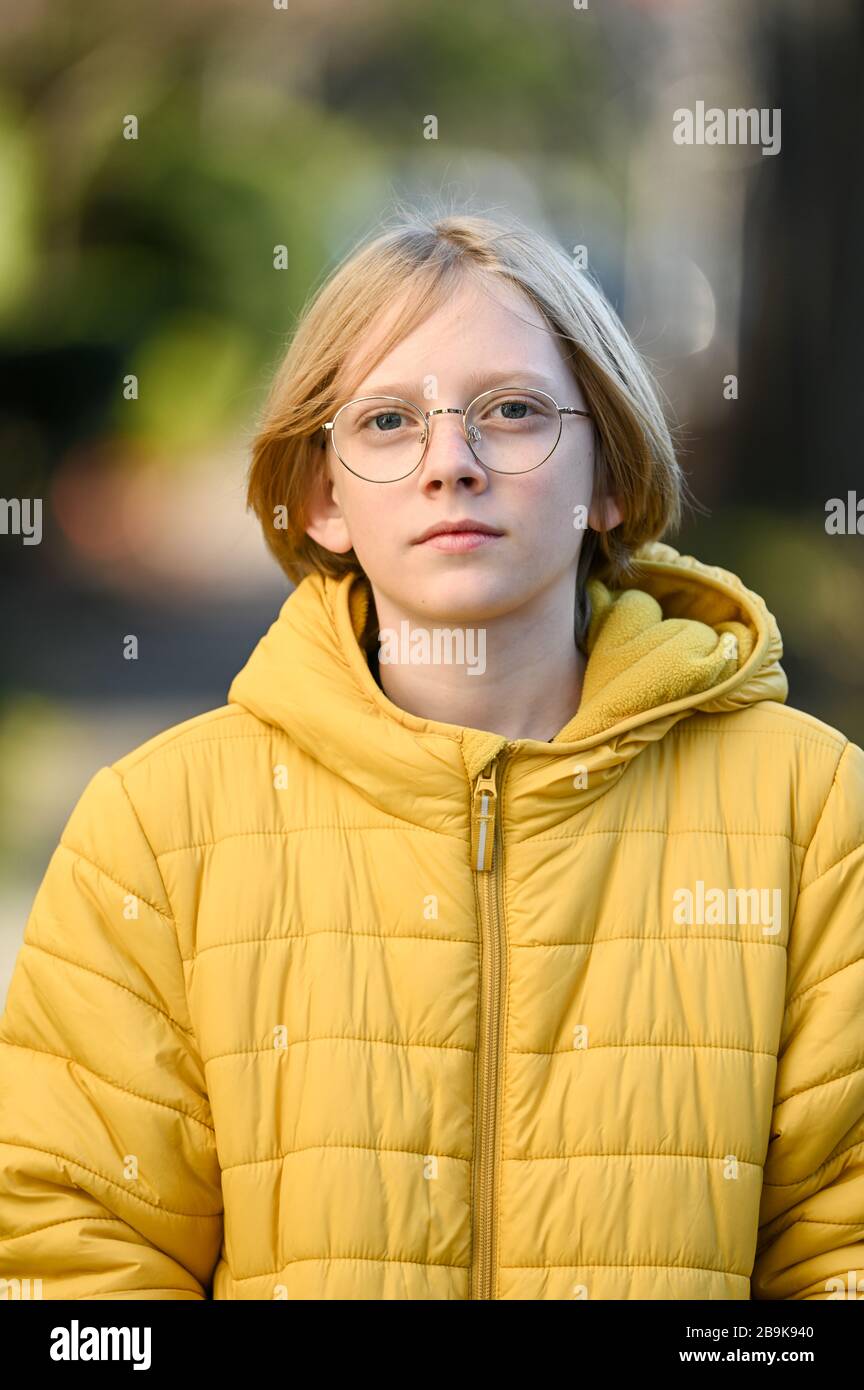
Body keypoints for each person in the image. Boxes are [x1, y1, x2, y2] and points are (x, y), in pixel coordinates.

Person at [1, 206, 862, 1301]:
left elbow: (841, 1250)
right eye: (388, 422)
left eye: (512, 411)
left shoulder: (811, 810)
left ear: (609, 476)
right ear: (321, 497)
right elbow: (72, 1253)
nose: (451, 462)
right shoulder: (158, 830)